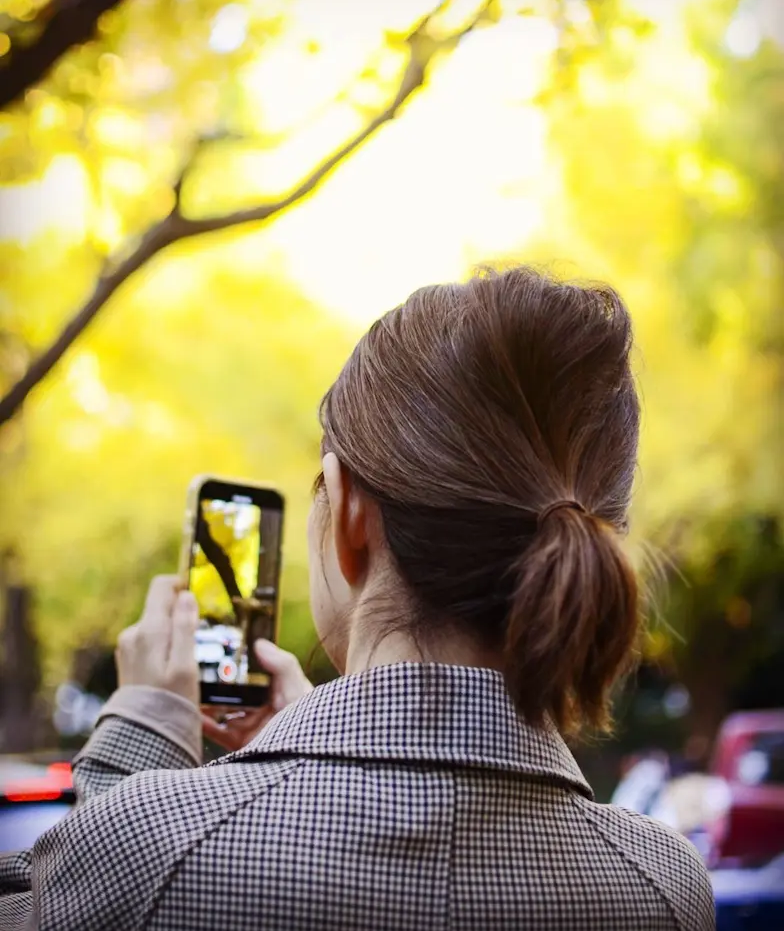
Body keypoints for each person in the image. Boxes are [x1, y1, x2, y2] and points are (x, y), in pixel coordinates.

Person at [0, 267, 715, 930]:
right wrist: (308, 744)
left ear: (346, 516)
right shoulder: (664, 889)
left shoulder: (150, 852)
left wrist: (143, 729)